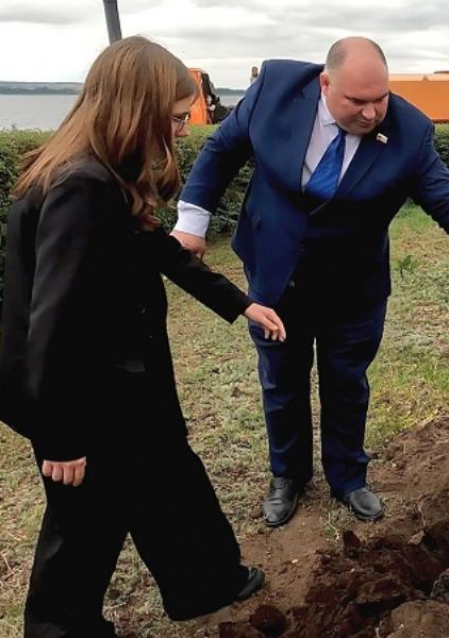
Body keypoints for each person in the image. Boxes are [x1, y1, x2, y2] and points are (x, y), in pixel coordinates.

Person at [172, 37, 449, 528]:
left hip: (354, 283)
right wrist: (192, 223)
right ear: (325, 84)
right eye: (357, 102)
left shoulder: (408, 131)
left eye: (379, 99)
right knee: (280, 378)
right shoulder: (276, 90)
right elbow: (221, 148)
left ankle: (348, 477)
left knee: (347, 383)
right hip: (275, 268)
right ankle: (288, 475)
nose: (371, 114)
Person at [0, 36, 283, 637]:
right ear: (138, 106)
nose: (182, 130)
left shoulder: (101, 172)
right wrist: (62, 436)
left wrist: (241, 304)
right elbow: (52, 318)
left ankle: (207, 581)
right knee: (85, 523)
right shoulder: (80, 184)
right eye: (177, 117)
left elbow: (156, 247)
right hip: (83, 394)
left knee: (168, 477)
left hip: (125, 378)